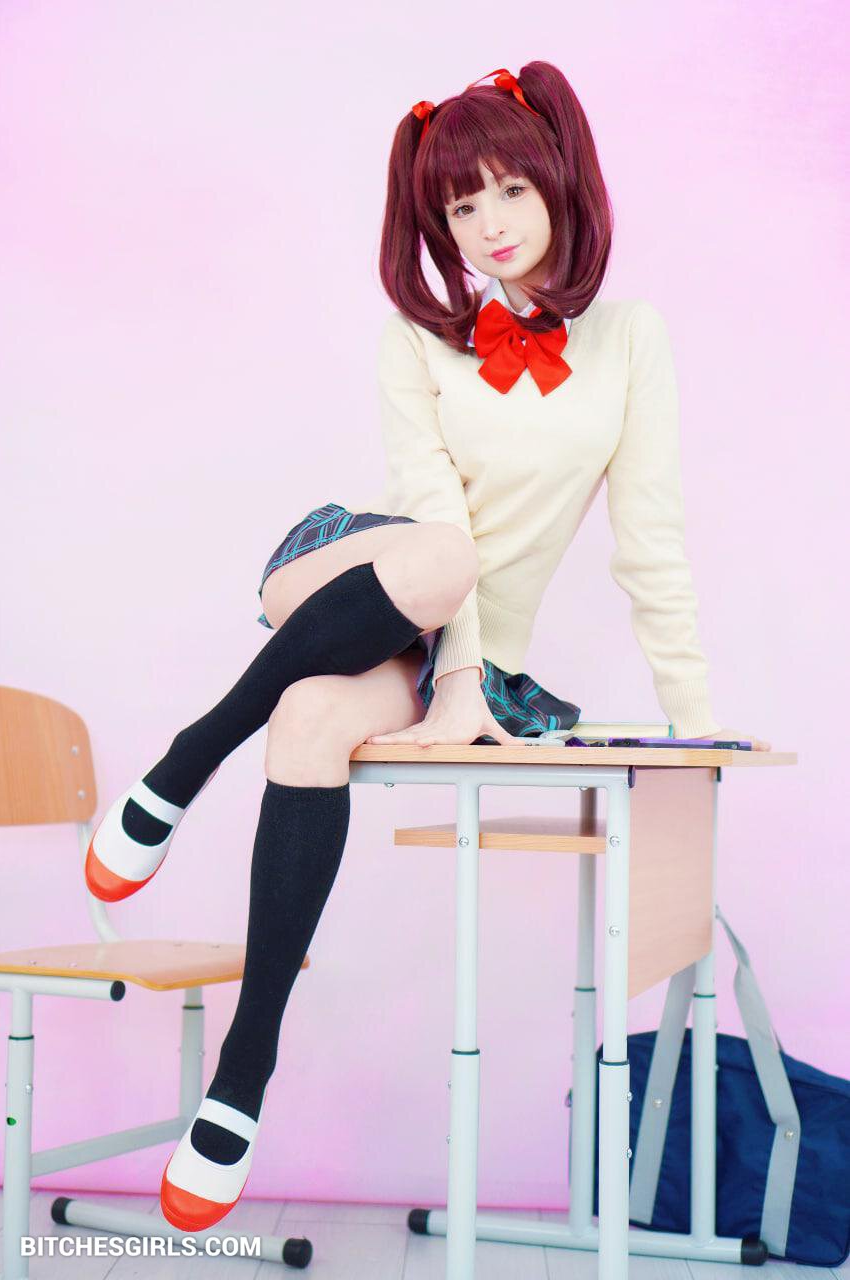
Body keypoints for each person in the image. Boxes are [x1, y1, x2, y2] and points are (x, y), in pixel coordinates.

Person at [84, 60, 770, 1233]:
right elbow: (432, 512)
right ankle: (190, 756)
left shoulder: (629, 340)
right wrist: (453, 675)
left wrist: (693, 724)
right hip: (353, 571)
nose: (489, 223)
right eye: (460, 205)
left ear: (559, 181)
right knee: (443, 555)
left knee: (311, 718)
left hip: (426, 657)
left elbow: (649, 542)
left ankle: (242, 1072)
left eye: (510, 189)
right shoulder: (416, 341)